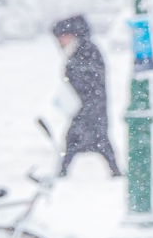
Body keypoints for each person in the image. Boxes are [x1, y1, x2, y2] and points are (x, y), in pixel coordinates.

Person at [52, 14, 122, 177]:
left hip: (90, 107)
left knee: (84, 139)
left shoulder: (85, 51)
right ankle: (114, 170)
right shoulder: (81, 50)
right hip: (88, 106)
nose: (61, 42)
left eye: (62, 37)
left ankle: (63, 172)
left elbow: (88, 80)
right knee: (90, 140)